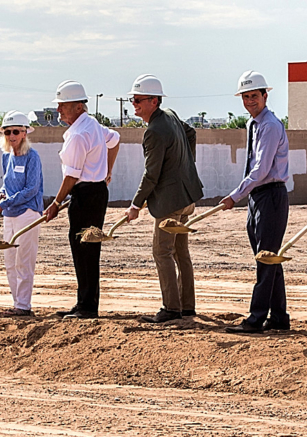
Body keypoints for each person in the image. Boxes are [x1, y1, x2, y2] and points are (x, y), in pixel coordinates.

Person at [123, 74, 205, 323]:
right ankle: (187, 307)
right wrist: (185, 166)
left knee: (162, 252)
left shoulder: (154, 131)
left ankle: (171, 308)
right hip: (187, 196)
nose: (134, 104)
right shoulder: (169, 115)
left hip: (170, 203)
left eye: (138, 100)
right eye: (133, 99)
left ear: (154, 101)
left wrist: (136, 204)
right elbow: (190, 134)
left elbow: (151, 174)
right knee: (181, 253)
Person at [221, 70, 291, 334]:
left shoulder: (270, 126)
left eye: (255, 96)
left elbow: (261, 170)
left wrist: (235, 195)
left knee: (266, 259)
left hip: (271, 194)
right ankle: (279, 317)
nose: (250, 101)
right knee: (269, 259)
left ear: (265, 95)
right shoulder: (253, 125)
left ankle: (256, 318)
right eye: (246, 96)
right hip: (258, 196)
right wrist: (244, 196)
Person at [44, 80, 121, 319]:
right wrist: (107, 171)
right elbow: (115, 139)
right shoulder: (93, 125)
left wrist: (56, 203)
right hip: (95, 192)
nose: (59, 111)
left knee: (84, 249)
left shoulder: (78, 135)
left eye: (63, 106)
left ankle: (87, 306)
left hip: (85, 195)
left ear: (78, 106)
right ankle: (84, 302)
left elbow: (71, 176)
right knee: (86, 249)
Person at [0, 111, 43, 317]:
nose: (11, 136)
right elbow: (6, 183)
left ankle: (24, 305)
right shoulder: (7, 156)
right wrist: (1, 194)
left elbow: (32, 188)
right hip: (9, 213)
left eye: (15, 131)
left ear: (24, 133)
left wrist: (9, 201)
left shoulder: (32, 156)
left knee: (24, 260)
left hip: (28, 213)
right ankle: (17, 303)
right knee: (10, 260)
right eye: (7, 132)